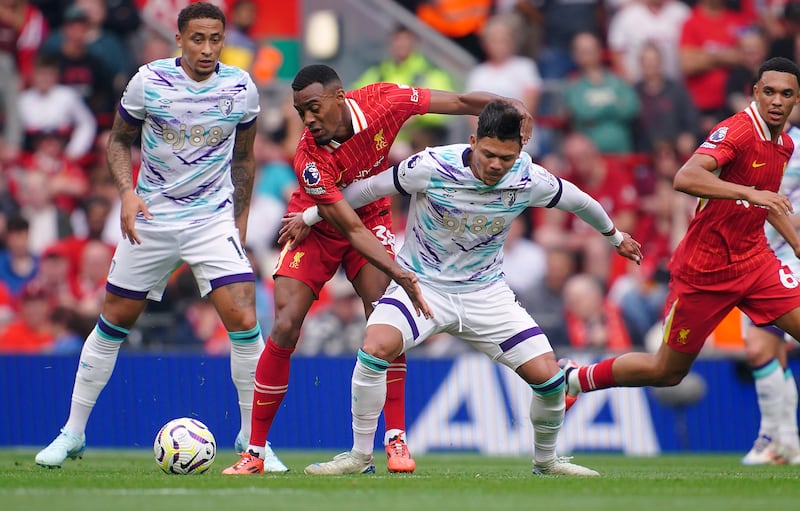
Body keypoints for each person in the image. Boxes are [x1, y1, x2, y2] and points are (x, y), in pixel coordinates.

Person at [286, 100, 642, 476]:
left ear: (519, 152)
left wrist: (615, 236)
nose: (495, 165)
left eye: (506, 158)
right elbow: (368, 190)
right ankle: (359, 457)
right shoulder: (431, 166)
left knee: (551, 381)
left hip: (485, 294)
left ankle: (547, 462)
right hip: (423, 287)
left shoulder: (528, 177)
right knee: (375, 348)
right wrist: (310, 215)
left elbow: (580, 201)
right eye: (488, 154)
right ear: (473, 140)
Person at [221, 64, 533, 475]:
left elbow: (457, 102)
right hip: (322, 220)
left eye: (314, 108)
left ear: (339, 98)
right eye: (301, 112)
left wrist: (506, 105)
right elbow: (345, 226)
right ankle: (255, 452)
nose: (309, 119)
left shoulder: (386, 102)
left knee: (384, 321)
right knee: (284, 325)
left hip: (372, 218)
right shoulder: (308, 158)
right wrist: (400, 272)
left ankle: (395, 439)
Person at [35, 2, 274, 469]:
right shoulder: (150, 80)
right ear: (180, 39)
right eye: (197, 39)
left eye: (215, 39)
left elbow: (244, 159)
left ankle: (255, 444)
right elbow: (119, 139)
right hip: (152, 217)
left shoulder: (240, 87)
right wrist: (126, 193)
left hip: (211, 220)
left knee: (244, 319)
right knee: (113, 320)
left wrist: (238, 223)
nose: (207, 48)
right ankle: (73, 432)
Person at [559, 58, 800, 427]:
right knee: (666, 371)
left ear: (796, 99)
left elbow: (768, 203)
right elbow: (685, 177)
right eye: (769, 91)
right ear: (755, 92)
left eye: (786, 94)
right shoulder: (737, 131)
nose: (777, 101)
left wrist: (796, 244)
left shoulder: (782, 144)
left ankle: (781, 440)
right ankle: (576, 378)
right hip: (706, 270)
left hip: (755, 262)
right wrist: (749, 193)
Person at [740, 106, 800, 466]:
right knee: (773, 353)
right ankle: (786, 441)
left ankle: (775, 439)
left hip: (789, 257)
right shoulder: (748, 145)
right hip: (754, 257)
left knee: (759, 348)